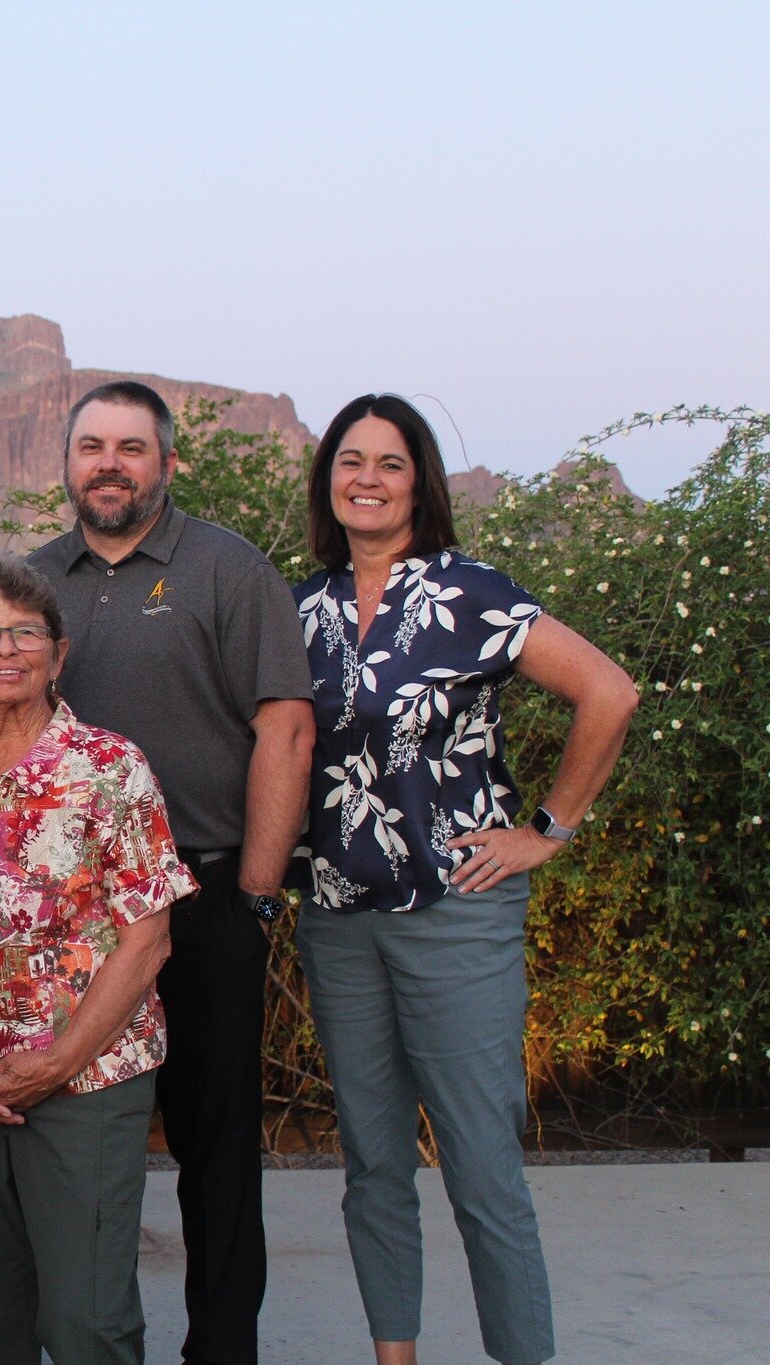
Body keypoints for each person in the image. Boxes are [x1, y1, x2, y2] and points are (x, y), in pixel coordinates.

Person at [291, 395, 637, 1365]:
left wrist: (545, 832)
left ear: (419, 483)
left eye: (388, 463)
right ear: (325, 480)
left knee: (481, 1169)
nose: (365, 478)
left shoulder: (465, 594)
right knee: (370, 1166)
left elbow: (606, 692)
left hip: (454, 915)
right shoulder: (299, 611)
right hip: (335, 917)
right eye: (348, 460)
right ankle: (391, 1357)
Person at [25, 381, 314, 1365]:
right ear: (65, 463)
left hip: (201, 896)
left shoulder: (226, 569)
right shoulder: (30, 584)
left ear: (166, 464)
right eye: (90, 446)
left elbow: (283, 725)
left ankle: (221, 1349)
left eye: (130, 447)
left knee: (215, 1147)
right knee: (72, 1142)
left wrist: (253, 900)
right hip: (65, 924)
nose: (109, 463)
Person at [0, 554, 197, 1365]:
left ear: (59, 652)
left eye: (26, 632)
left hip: (87, 1084)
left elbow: (150, 936)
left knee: (86, 1322)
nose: (6, 649)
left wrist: (61, 1060)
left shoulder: (110, 767)